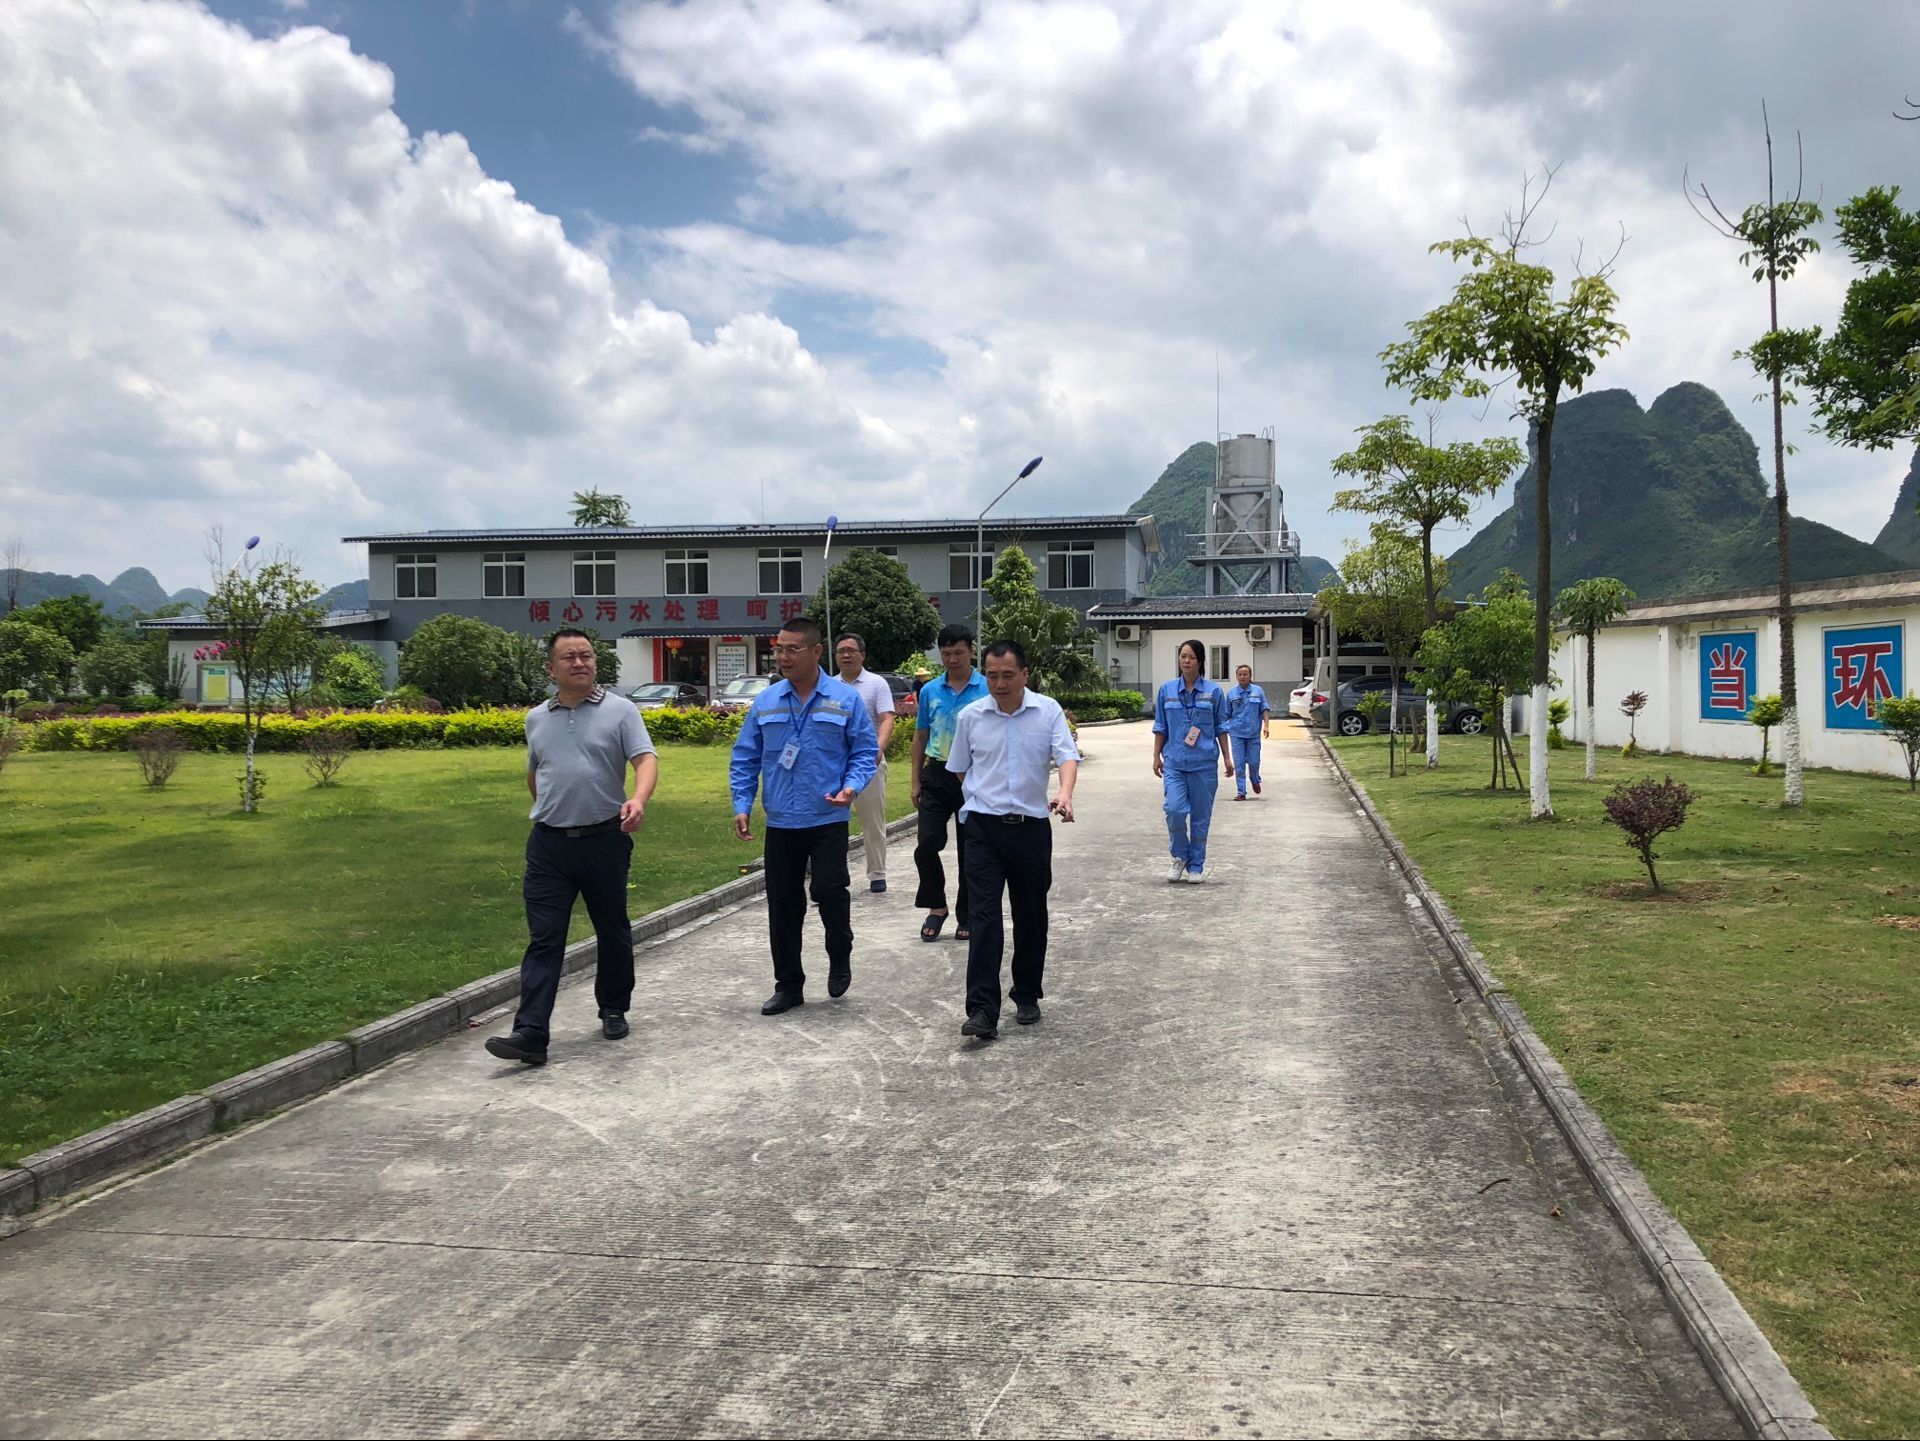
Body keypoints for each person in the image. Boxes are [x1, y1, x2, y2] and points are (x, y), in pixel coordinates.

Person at [486, 629, 658, 1067]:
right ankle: (530, 1033)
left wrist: (637, 799)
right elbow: (536, 773)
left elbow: (645, 759)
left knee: (612, 928)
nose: (579, 663)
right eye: (569, 657)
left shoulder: (621, 711)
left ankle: (613, 1006)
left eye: (586, 656)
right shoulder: (536, 719)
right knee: (545, 939)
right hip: (548, 845)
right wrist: (551, 810)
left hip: (604, 838)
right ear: (551, 668)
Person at [730, 616, 880, 1015]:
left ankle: (839, 951)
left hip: (827, 815)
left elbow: (865, 751)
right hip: (781, 822)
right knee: (783, 905)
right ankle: (789, 985)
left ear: (816, 651)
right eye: (778, 648)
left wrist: (851, 786)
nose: (782, 656)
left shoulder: (844, 699)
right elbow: (745, 756)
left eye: (791, 649)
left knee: (830, 893)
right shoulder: (767, 701)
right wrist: (742, 804)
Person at [946, 640, 1079, 1040]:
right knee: (984, 917)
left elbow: (1066, 756)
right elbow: (958, 769)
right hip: (983, 829)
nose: (999, 683)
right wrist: (980, 796)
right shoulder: (971, 716)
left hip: (1031, 828)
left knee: (1030, 915)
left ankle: (1026, 993)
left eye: (1007, 675)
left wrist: (1066, 792)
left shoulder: (1047, 711)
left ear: (1024, 674)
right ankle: (983, 1009)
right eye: (991, 675)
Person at [911, 624, 989, 942]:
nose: (952, 659)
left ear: (971, 650)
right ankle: (936, 905)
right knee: (926, 845)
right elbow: (920, 735)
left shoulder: (986, 687)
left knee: (970, 850)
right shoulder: (930, 690)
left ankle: (966, 914)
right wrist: (915, 779)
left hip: (974, 776)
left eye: (958, 652)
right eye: (946, 653)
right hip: (938, 773)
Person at [1151, 639, 1231, 883]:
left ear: (1200, 661)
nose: (1186, 661)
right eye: (1182, 656)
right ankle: (1179, 857)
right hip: (1174, 761)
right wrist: (1156, 755)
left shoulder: (1214, 691)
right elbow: (1160, 725)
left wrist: (1228, 757)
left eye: (1191, 657)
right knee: (1174, 810)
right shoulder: (1166, 690)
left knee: (1200, 817)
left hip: (1204, 764)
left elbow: (1221, 726)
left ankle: (1196, 864)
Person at [834, 632, 897, 893]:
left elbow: (886, 718)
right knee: (832, 823)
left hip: (868, 762)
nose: (846, 655)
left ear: (863, 654)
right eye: (841, 651)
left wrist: (878, 748)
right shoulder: (827, 685)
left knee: (872, 820)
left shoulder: (876, 684)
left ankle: (877, 873)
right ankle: (834, 875)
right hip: (835, 763)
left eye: (851, 650)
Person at [1223, 663, 1272, 800]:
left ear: (1250, 676)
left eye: (1245, 674)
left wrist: (1266, 726)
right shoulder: (1231, 693)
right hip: (1236, 733)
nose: (1242, 676)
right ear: (1236, 676)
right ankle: (1241, 792)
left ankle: (1255, 779)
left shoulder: (1258, 691)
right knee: (1238, 764)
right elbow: (1226, 713)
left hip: (1253, 733)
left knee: (1254, 761)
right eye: (1240, 674)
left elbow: (1265, 709)